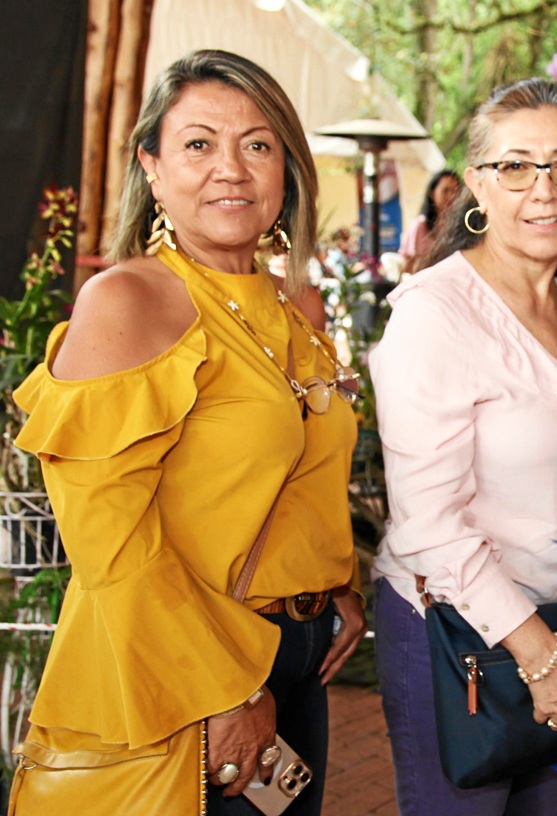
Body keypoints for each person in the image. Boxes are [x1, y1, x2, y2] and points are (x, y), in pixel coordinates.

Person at [9, 50, 367, 815]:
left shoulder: (294, 308)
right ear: (154, 167)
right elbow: (110, 542)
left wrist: (333, 583)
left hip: (295, 664)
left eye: (257, 145)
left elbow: (294, 467)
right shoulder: (129, 300)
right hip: (186, 676)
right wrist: (224, 689)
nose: (230, 170)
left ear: (287, 171)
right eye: (199, 144)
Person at [368, 78, 557, 816]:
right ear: (476, 183)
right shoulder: (435, 315)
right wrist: (540, 656)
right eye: (515, 166)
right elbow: (429, 525)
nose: (541, 190)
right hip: (460, 637)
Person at [399, 167, 460, 274]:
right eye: (445, 190)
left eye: (455, 191)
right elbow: (407, 265)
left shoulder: (460, 226)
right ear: (432, 192)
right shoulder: (420, 225)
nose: (451, 196)